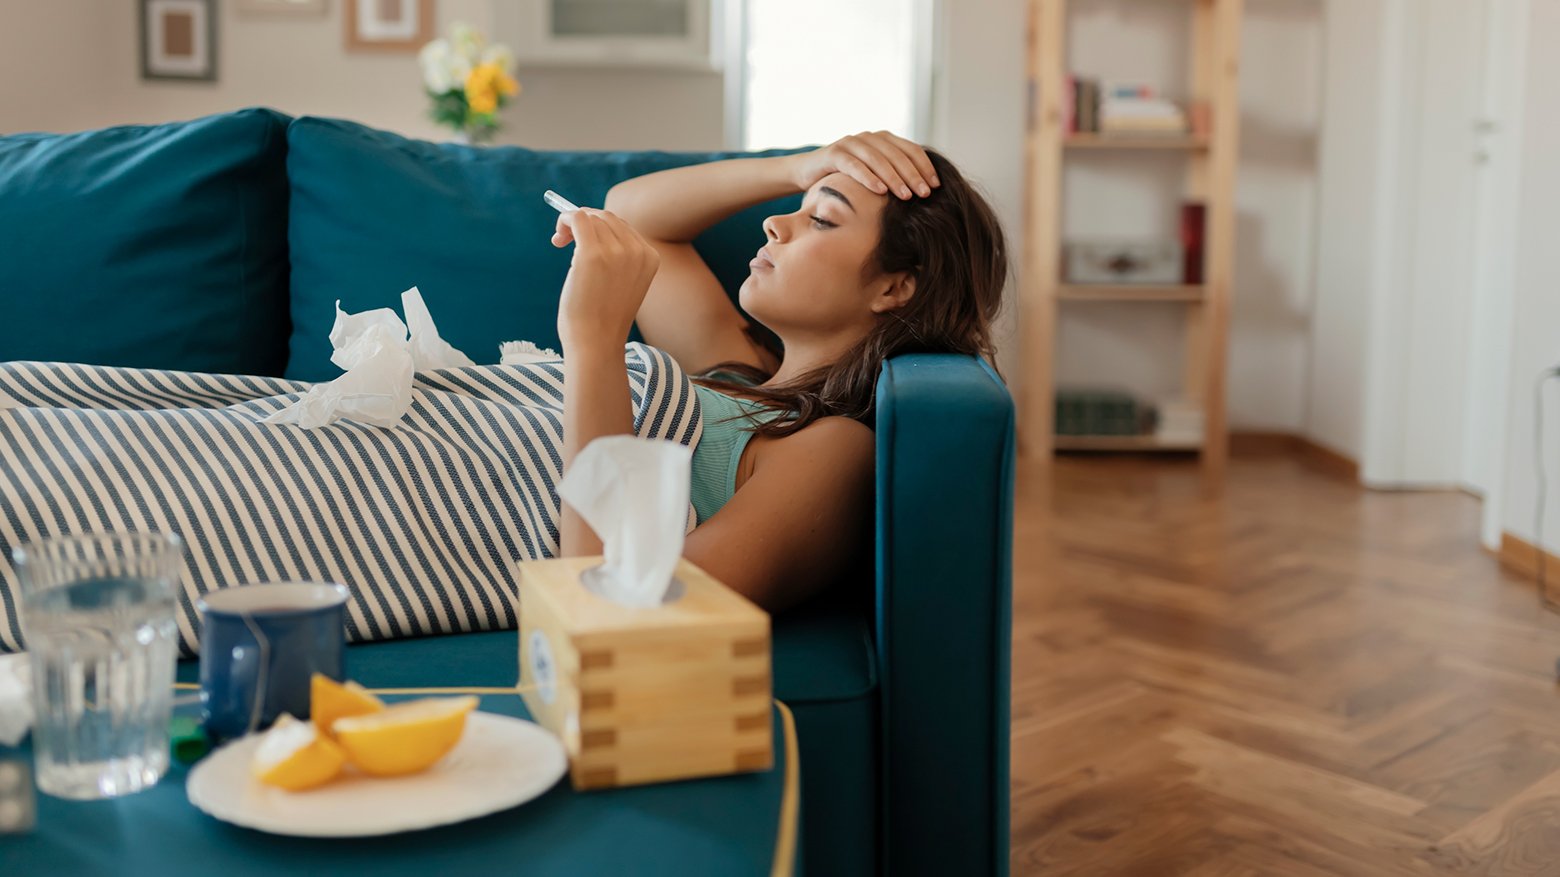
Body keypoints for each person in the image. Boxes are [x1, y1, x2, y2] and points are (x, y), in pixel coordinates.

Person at [553, 131, 1007, 611]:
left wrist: (595, 342)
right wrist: (802, 166)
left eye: (822, 219)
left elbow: (616, 606)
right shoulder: (735, 371)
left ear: (894, 289)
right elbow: (632, 215)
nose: (772, 223)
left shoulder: (827, 447)